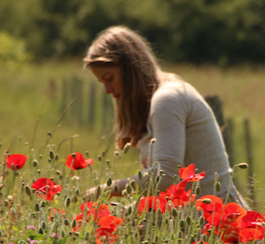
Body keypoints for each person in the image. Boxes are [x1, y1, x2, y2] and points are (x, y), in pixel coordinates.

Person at [83, 25, 248, 207]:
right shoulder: (160, 98)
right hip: (198, 220)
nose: (107, 90)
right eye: (102, 83)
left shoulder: (167, 99)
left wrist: (108, 189)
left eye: (109, 78)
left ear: (130, 68)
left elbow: (165, 178)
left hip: (220, 224)